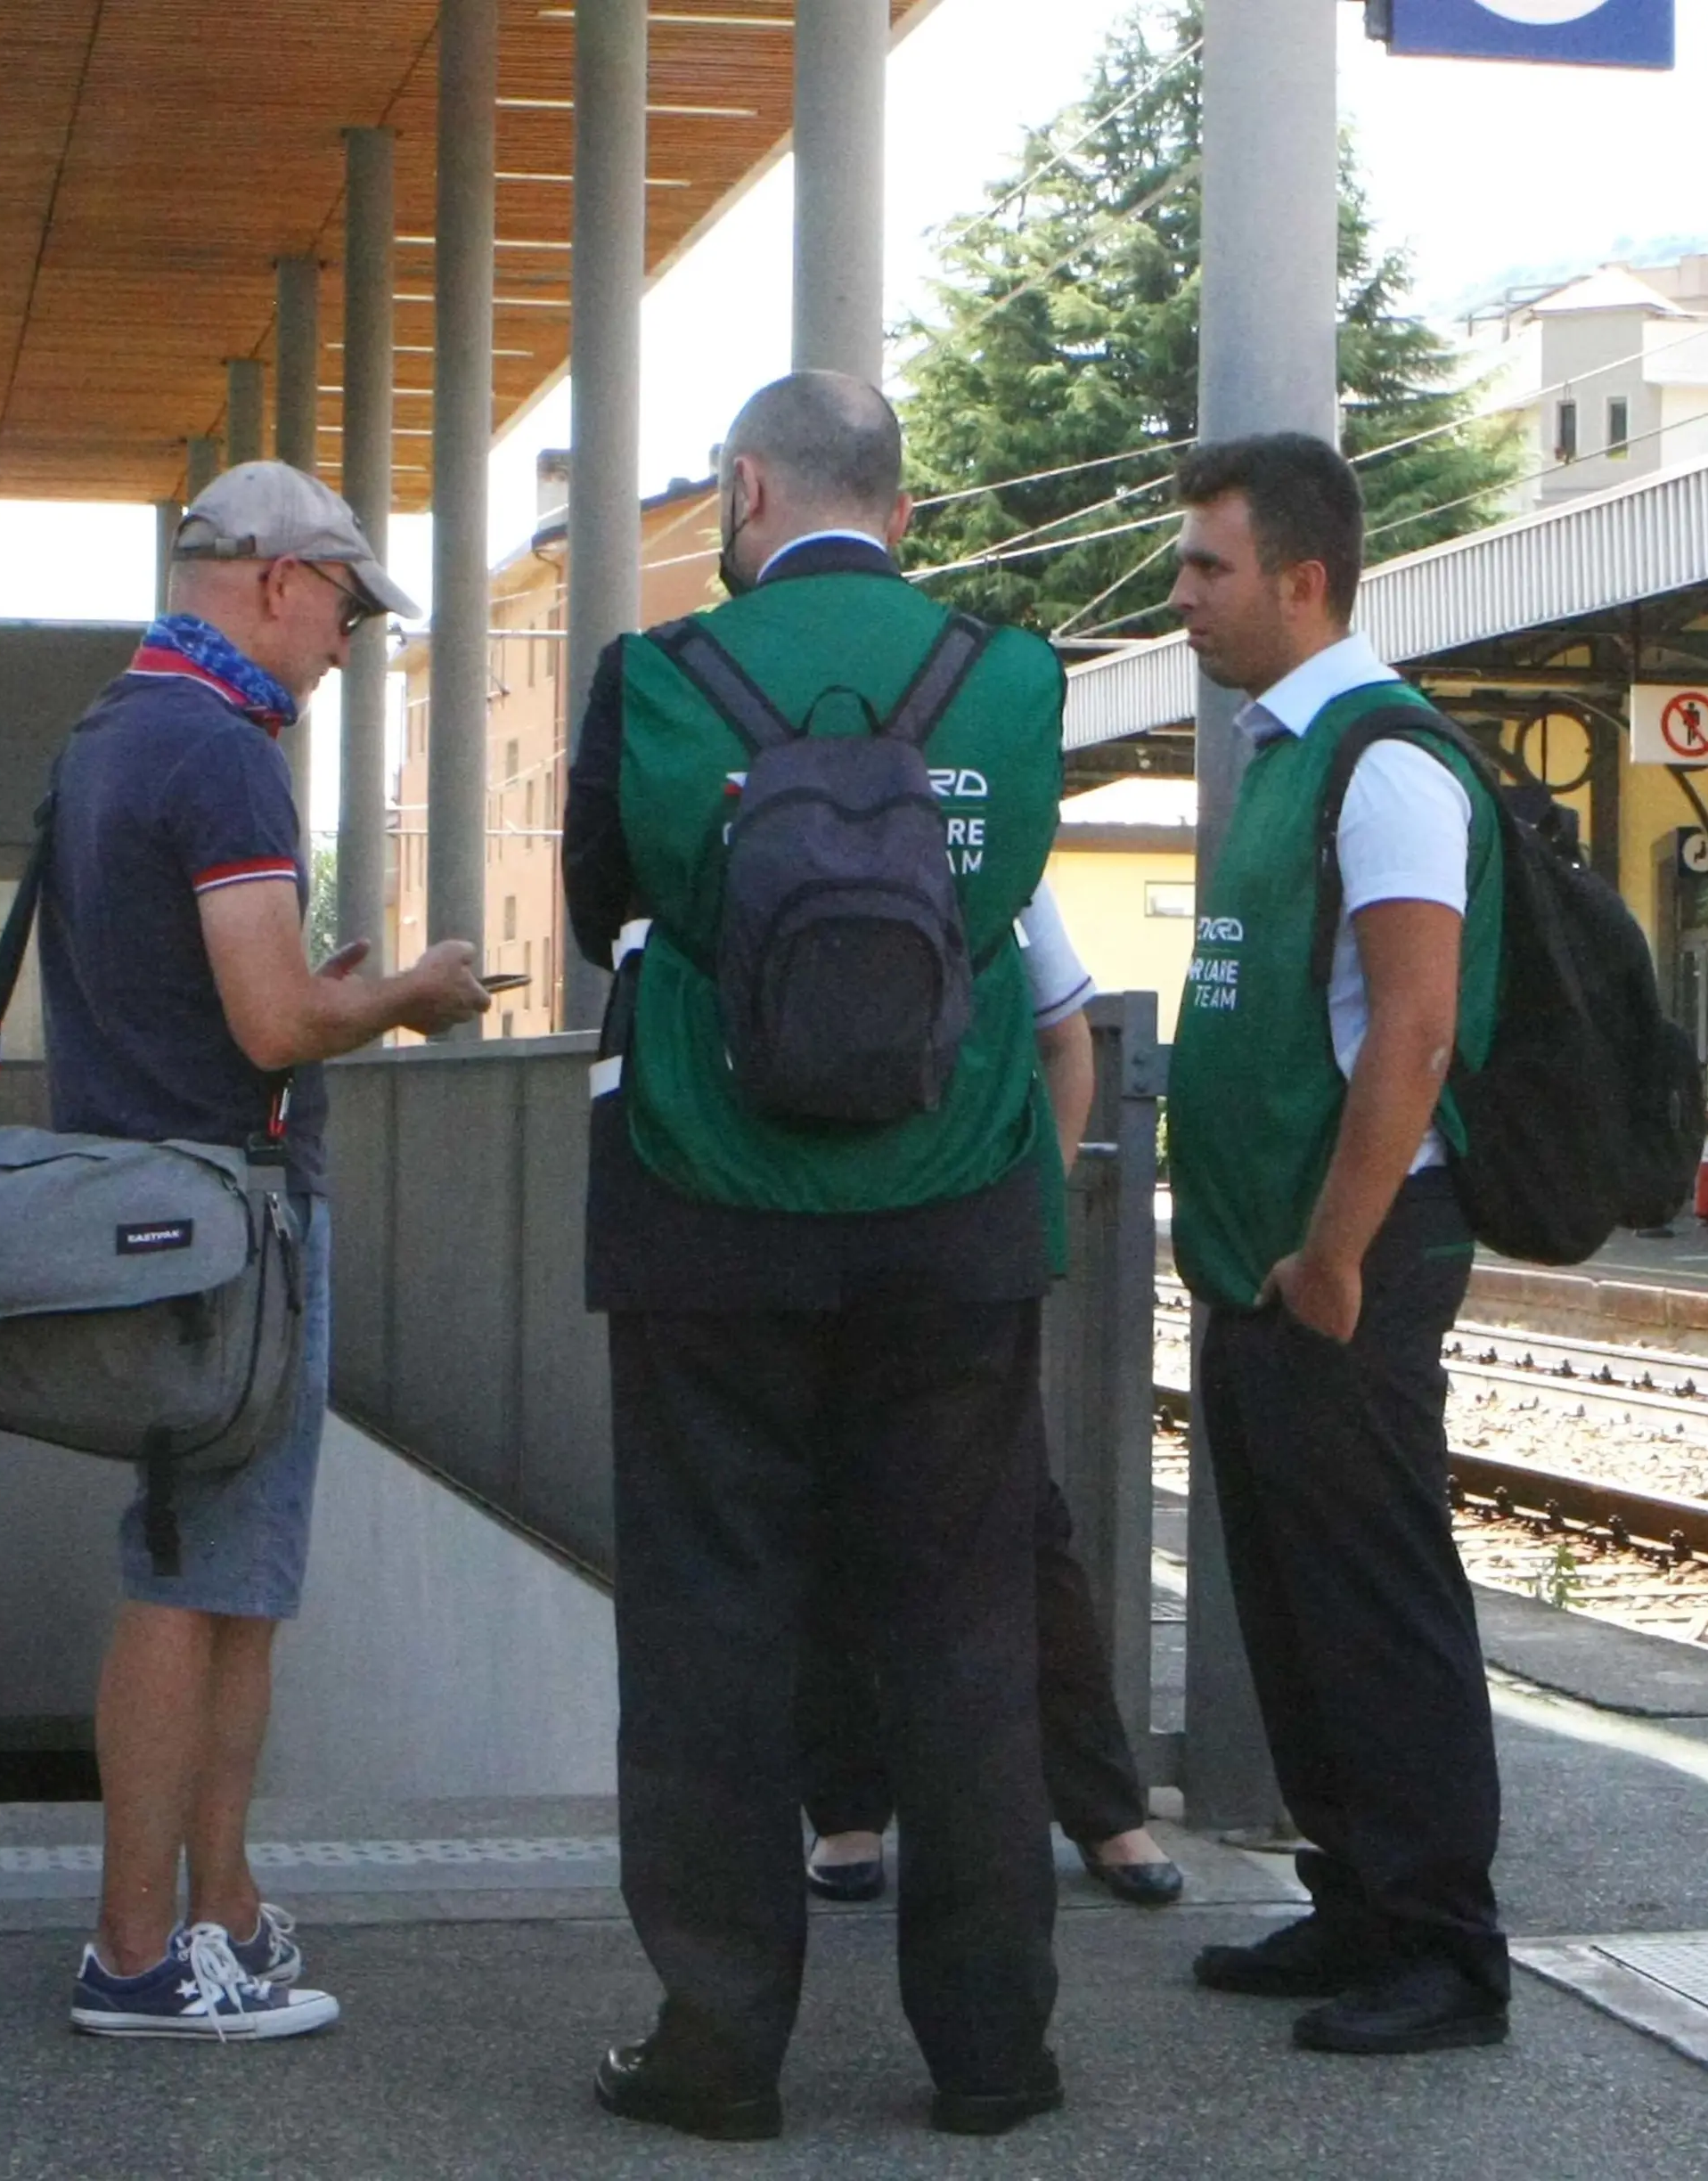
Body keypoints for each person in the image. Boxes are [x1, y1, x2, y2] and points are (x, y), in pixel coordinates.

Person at [563, 372, 1068, 2140]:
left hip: (707, 1207)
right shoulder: (1005, 681)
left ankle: (715, 2045)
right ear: (903, 512)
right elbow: (990, 906)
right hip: (952, 1201)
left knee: (711, 1627)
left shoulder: (649, 678)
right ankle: (991, 2052)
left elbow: (590, 911)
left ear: (745, 488)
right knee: (959, 1626)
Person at [48, 461, 487, 2039]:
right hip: (225, 1217)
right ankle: (137, 1951)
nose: (353, 640)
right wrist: (400, 994)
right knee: (186, 1576)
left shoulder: (109, 730)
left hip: (149, 1201)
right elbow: (269, 1018)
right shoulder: (224, 758)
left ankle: (213, 1908)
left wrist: (324, 996)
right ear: (280, 578)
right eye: (352, 606)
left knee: (220, 1570)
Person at [1163, 432, 1509, 2055]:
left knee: (1375, 1597)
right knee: (1299, 1599)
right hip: (1268, 1261)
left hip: (1346, 1257)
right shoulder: (1283, 749)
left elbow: (1417, 1026)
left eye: (1208, 567)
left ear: (1304, 579)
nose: (1183, 598)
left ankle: (1443, 1941)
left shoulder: (1385, 761)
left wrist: (1335, 1257)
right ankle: (1356, 1897)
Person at [798, 894, 1187, 1912]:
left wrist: (1030, 1215)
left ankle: (1100, 1806)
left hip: (957, 1246)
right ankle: (847, 1808)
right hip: (800, 1230)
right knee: (833, 1507)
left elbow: (1069, 1043)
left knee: (1020, 1521)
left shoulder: (992, 835)